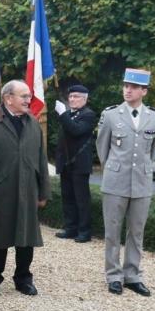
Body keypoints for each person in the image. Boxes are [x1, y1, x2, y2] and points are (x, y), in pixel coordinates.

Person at [0, 79, 51, 297]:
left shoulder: (33, 123)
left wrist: (44, 191)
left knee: (27, 238)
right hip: (0, 191)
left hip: (28, 190)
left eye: (29, 96)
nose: (29, 100)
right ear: (8, 98)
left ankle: (23, 278)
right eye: (24, 96)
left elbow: (41, 159)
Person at [96, 68, 155, 297]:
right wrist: (114, 169)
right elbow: (102, 149)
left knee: (136, 232)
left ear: (144, 91)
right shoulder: (112, 114)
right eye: (126, 86)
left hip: (142, 183)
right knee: (112, 231)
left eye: (133, 87)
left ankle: (132, 275)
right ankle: (114, 275)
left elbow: (152, 151)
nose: (128, 90)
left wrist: (141, 170)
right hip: (115, 181)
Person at [53, 84, 96, 243]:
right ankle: (70, 228)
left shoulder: (88, 114)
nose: (72, 99)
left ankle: (84, 231)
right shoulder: (68, 114)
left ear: (84, 99)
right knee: (68, 197)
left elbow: (76, 130)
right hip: (66, 162)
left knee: (81, 199)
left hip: (80, 163)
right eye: (70, 96)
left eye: (76, 96)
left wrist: (63, 114)